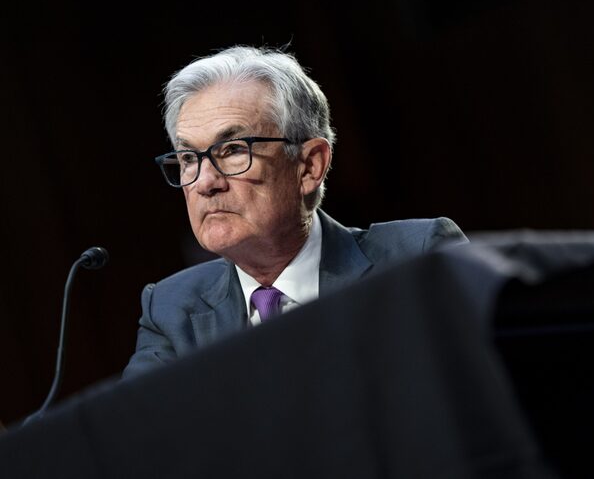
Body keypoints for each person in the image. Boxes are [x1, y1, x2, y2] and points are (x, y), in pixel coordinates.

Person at [122, 45, 467, 379]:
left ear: (309, 166)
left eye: (233, 150)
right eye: (188, 158)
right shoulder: (170, 310)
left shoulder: (416, 258)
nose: (205, 182)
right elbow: (137, 419)